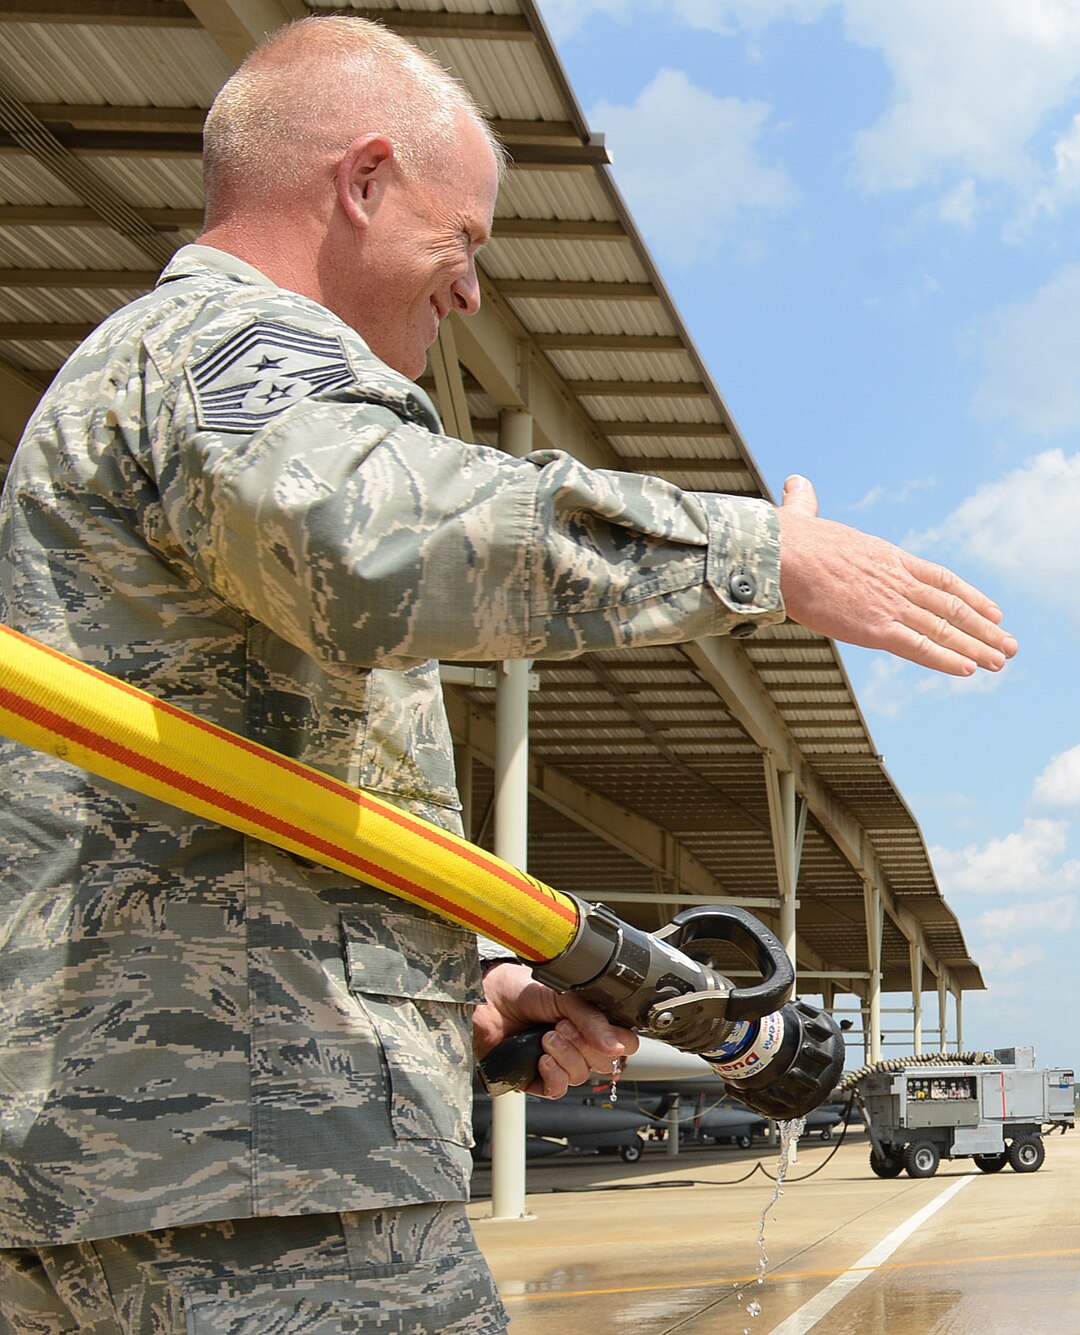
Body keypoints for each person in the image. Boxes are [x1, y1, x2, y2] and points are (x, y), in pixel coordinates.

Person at [0, 16, 1012, 1333]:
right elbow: (376, 541)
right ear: (362, 183)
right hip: (244, 1184)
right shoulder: (229, 349)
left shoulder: (158, 387)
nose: (472, 291)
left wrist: (459, 993)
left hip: (188, 1154)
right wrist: (759, 553)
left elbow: (224, 825)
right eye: (463, 239)